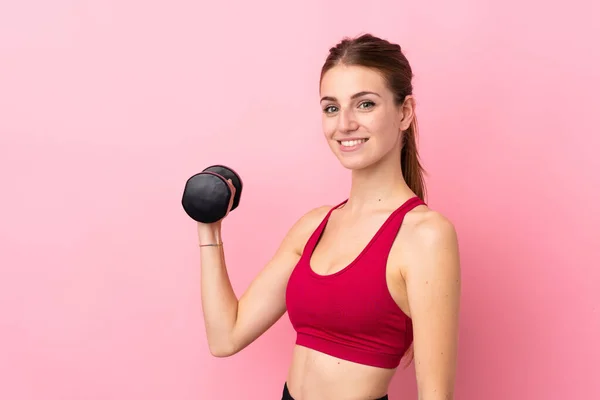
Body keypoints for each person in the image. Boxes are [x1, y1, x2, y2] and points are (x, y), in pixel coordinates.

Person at [196, 33, 461, 400]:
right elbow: (226, 336)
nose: (345, 124)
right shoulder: (313, 227)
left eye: (365, 104)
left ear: (404, 112)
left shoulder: (425, 235)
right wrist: (208, 228)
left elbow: (436, 395)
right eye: (331, 108)